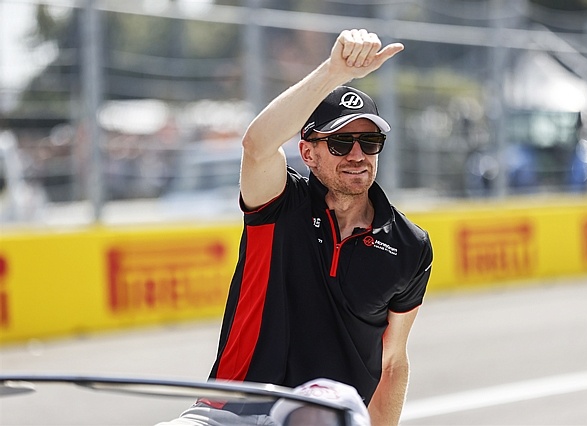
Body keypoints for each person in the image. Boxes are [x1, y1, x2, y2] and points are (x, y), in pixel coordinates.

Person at [161, 28, 433, 426]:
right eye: (340, 143)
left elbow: (391, 363)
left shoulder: (410, 246)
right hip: (230, 412)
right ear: (307, 152)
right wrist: (334, 71)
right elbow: (257, 145)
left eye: (370, 141)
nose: (358, 155)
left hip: (321, 419)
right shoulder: (280, 203)